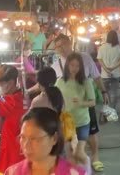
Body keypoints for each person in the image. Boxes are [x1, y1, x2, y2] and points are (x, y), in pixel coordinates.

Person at [49, 34, 107, 172]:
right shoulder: (56, 65)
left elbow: (96, 76)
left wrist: (103, 91)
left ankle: (95, 157)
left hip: (84, 110)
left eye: (62, 44)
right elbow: (53, 88)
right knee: (70, 148)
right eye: (57, 47)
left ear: (70, 43)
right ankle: (74, 169)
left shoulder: (86, 58)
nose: (60, 49)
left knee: (92, 133)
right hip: (67, 115)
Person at [4, 108, 86, 175]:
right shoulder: (12, 172)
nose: (26, 145)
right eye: (23, 137)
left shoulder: (75, 173)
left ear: (54, 138)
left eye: (34, 138)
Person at [55, 53, 95, 168]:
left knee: (79, 153)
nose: (74, 69)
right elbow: (55, 99)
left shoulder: (86, 82)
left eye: (77, 66)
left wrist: (81, 103)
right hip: (66, 123)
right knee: (69, 155)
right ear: (67, 65)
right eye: (72, 65)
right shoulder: (60, 81)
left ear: (81, 67)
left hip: (82, 122)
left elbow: (93, 102)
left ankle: (87, 168)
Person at [97, 30, 120, 110]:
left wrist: (106, 69)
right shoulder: (119, 48)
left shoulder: (102, 47)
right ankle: (113, 110)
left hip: (104, 75)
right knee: (114, 93)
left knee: (106, 93)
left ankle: (107, 108)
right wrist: (112, 68)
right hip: (115, 74)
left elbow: (100, 60)